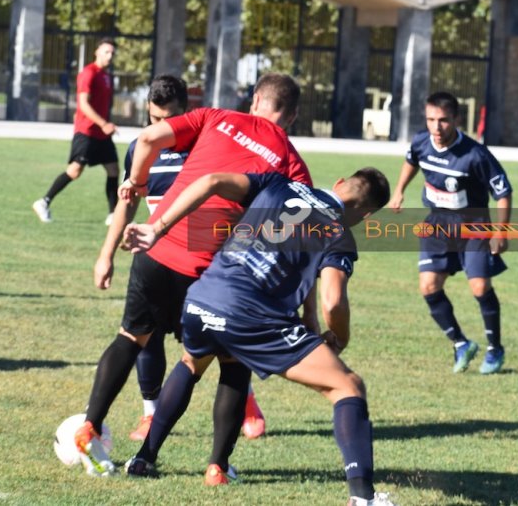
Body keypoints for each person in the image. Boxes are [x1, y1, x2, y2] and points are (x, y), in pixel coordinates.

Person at [72, 73, 311, 478]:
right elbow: (292, 240)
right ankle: (217, 465)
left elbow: (147, 140)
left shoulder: (215, 116)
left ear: (255, 99)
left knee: (131, 337)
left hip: (157, 250)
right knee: (230, 364)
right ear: (293, 115)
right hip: (213, 276)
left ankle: (91, 424)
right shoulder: (293, 166)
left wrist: (136, 183)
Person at [121, 167, 396, 506]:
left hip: (204, 297)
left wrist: (157, 228)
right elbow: (334, 300)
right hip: (250, 315)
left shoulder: (280, 184)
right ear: (366, 215)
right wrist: (340, 337)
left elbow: (211, 180)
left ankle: (146, 459)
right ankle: (364, 499)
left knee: (194, 362)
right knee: (348, 386)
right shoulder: (339, 232)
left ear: (339, 182)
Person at [92, 74, 190, 442]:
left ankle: (246, 404)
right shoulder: (142, 147)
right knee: (146, 335)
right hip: (157, 256)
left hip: (202, 258)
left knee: (218, 338)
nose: (160, 128)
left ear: (186, 113)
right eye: (154, 119)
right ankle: (150, 413)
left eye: (169, 120)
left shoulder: (204, 146)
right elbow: (127, 203)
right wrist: (106, 256)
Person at [388, 91, 512, 375]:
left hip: (473, 228)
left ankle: (495, 350)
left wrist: (501, 233)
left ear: (455, 119)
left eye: (443, 121)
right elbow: (411, 161)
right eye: (431, 119)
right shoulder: (421, 141)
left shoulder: (475, 155)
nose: (436, 127)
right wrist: (399, 191)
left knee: (480, 287)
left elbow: (504, 193)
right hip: (436, 226)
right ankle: (460, 344)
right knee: (429, 286)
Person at [33, 37, 120, 225]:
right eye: (106, 52)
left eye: (112, 53)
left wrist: (105, 125)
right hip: (87, 131)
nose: (110, 56)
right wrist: (104, 123)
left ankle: (113, 214)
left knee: (113, 169)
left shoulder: (107, 77)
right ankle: (43, 202)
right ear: (96, 52)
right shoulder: (89, 73)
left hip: (101, 134)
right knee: (74, 171)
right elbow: (83, 104)